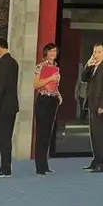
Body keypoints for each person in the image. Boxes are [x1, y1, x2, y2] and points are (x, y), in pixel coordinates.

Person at [0, 36, 19, 178]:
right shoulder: (14, 62)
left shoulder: (3, 63)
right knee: (7, 137)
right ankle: (6, 166)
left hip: (3, 107)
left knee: (3, 138)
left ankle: (5, 168)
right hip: (12, 106)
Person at [81, 42, 103, 173]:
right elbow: (84, 78)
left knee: (100, 135)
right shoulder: (93, 65)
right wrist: (88, 65)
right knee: (94, 135)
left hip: (100, 106)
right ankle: (96, 161)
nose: (96, 54)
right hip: (91, 104)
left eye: (99, 52)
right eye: (94, 52)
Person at [33, 43, 62, 176]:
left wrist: (58, 95)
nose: (53, 53)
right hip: (43, 100)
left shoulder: (55, 67)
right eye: (50, 51)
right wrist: (50, 78)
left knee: (48, 133)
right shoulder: (40, 66)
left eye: (54, 51)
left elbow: (54, 86)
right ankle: (39, 166)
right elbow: (36, 84)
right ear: (46, 53)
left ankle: (45, 164)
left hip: (52, 100)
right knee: (41, 132)